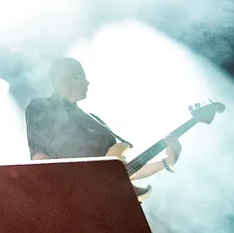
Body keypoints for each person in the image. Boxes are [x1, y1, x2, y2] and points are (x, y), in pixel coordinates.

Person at [25, 57, 180, 183]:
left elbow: (124, 171)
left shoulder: (95, 121)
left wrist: (166, 163)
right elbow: (40, 157)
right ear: (61, 80)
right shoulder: (41, 107)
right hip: (72, 201)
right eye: (79, 76)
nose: (87, 82)